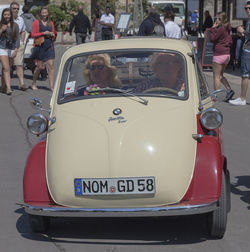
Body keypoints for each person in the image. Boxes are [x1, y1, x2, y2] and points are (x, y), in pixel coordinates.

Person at [30, 6, 57, 91]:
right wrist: (43, 33)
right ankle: (33, 83)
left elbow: (55, 33)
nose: (44, 14)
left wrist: (53, 34)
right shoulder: (36, 22)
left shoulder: (50, 23)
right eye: (43, 12)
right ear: (40, 13)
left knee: (51, 66)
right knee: (39, 67)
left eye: (46, 12)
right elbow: (33, 34)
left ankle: (51, 86)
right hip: (40, 46)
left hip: (49, 46)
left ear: (48, 13)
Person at [210, 11, 234, 102]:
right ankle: (229, 90)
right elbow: (229, 41)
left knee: (216, 76)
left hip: (219, 54)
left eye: (218, 18)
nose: (216, 20)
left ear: (221, 20)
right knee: (220, 75)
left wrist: (212, 29)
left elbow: (212, 38)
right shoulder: (228, 28)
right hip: (226, 54)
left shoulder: (221, 29)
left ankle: (215, 95)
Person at [229, 1, 250, 106]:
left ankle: (242, 98)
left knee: (245, 75)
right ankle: (242, 97)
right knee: (244, 75)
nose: (247, 10)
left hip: (248, 51)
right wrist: (242, 33)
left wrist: (242, 31)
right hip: (247, 49)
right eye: (246, 8)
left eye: (249, 8)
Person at [0, 8, 19, 95]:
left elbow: (17, 39)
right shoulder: (1, 24)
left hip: (11, 49)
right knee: (7, 68)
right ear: (2, 15)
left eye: (8, 14)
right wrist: (1, 30)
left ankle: (3, 86)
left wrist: (15, 50)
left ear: (11, 15)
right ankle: (8, 88)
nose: (7, 16)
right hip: (2, 48)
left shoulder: (15, 25)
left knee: (6, 68)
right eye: (5, 15)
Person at [10, 1, 27, 91]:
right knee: (7, 66)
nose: (16, 10)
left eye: (17, 9)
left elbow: (23, 30)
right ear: (10, 9)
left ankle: (22, 84)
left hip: (18, 45)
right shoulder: (6, 19)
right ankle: (5, 85)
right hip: (7, 46)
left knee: (19, 65)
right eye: (14, 8)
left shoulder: (21, 19)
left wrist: (22, 41)